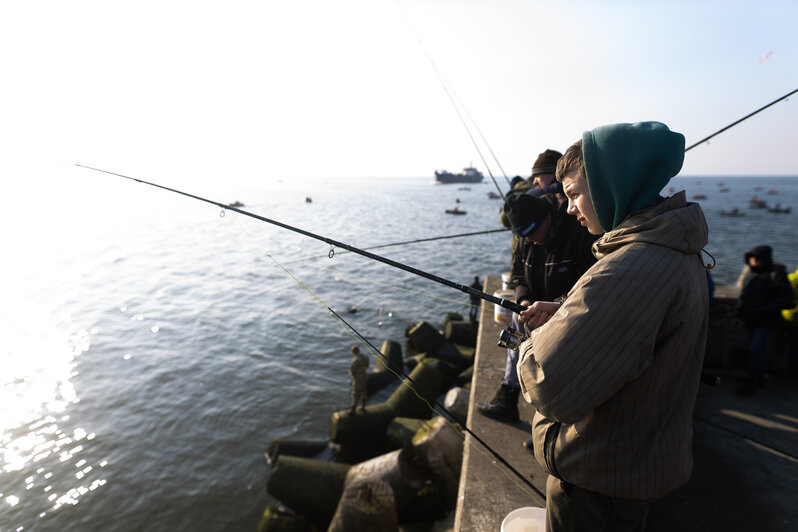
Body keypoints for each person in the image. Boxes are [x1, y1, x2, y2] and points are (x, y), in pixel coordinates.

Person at [516, 121, 709, 531]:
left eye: (573, 194)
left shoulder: (628, 268)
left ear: (609, 185)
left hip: (598, 479)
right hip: (634, 462)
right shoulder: (675, 248)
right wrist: (571, 308)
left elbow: (549, 385)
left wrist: (531, 340)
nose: (568, 208)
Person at [476, 192, 597, 423]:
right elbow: (519, 276)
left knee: (558, 367)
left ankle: (555, 420)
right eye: (523, 235)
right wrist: (523, 303)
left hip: (570, 313)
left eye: (531, 232)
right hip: (534, 311)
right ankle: (508, 397)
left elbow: (592, 283)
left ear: (546, 218)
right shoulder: (525, 239)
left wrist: (557, 307)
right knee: (515, 324)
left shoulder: (579, 233)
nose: (529, 239)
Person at [735, 246, 794, 395]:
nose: (753, 261)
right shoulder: (750, 273)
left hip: (766, 321)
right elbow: (745, 294)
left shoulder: (776, 273)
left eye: (756, 258)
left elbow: (788, 300)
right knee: (756, 350)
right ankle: (758, 378)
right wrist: (741, 310)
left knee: (756, 350)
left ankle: (752, 382)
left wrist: (767, 307)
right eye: (751, 258)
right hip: (751, 319)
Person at [348, 345, 369, 413]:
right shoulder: (364, 357)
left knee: (355, 393)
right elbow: (367, 365)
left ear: (353, 352)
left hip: (358, 378)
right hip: (364, 376)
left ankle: (353, 409)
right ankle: (363, 406)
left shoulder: (355, 361)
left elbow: (352, 372)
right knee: (363, 391)